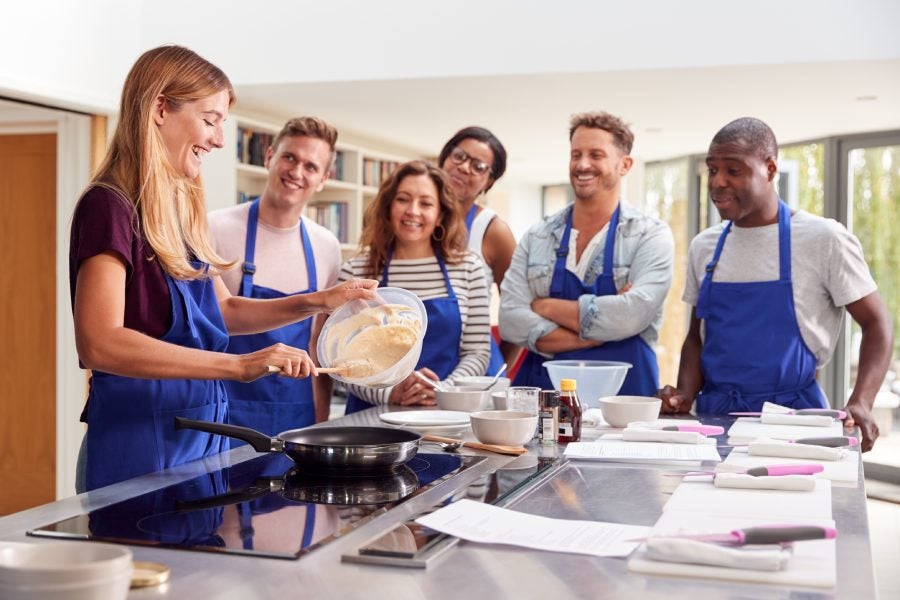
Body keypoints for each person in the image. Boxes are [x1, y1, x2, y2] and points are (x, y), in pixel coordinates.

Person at [69, 45, 376, 492]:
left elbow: (224, 310)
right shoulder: (109, 206)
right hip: (138, 437)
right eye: (210, 120)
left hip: (200, 434)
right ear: (159, 109)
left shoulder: (177, 208)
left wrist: (318, 301)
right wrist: (238, 365)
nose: (216, 139)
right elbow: (100, 342)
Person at [658, 117, 893, 451]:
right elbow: (697, 338)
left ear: (769, 169)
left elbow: (877, 323)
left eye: (734, 171)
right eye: (713, 170)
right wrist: (683, 395)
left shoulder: (823, 238)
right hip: (715, 422)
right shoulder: (705, 247)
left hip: (795, 423)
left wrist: (862, 401)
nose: (718, 182)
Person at [499, 112, 674, 396]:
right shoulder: (538, 236)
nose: (582, 165)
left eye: (596, 155)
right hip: (546, 396)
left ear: (625, 165)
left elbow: (632, 316)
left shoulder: (650, 236)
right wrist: (596, 335)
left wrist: (545, 307)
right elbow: (510, 321)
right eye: (576, 154)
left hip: (624, 399)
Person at [208, 117, 342, 437]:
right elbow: (210, 326)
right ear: (269, 157)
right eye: (290, 157)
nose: (297, 172)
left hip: (296, 418)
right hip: (224, 412)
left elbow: (316, 343)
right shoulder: (214, 228)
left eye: (311, 167)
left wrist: (319, 422)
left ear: (323, 179)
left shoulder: (327, 247)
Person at [338, 160, 491, 411]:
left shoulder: (468, 268)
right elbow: (342, 362)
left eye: (426, 203)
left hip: (443, 415)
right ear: (388, 207)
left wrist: (442, 391)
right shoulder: (356, 271)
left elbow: (478, 352)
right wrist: (389, 393)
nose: (413, 210)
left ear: (440, 214)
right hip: (369, 418)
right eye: (403, 199)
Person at [438, 127, 520, 372]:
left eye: (478, 166)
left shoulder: (493, 231)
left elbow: (517, 314)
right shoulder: (412, 222)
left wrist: (497, 370)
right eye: (459, 156)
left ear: (489, 181)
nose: (464, 168)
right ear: (445, 158)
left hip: (474, 371)